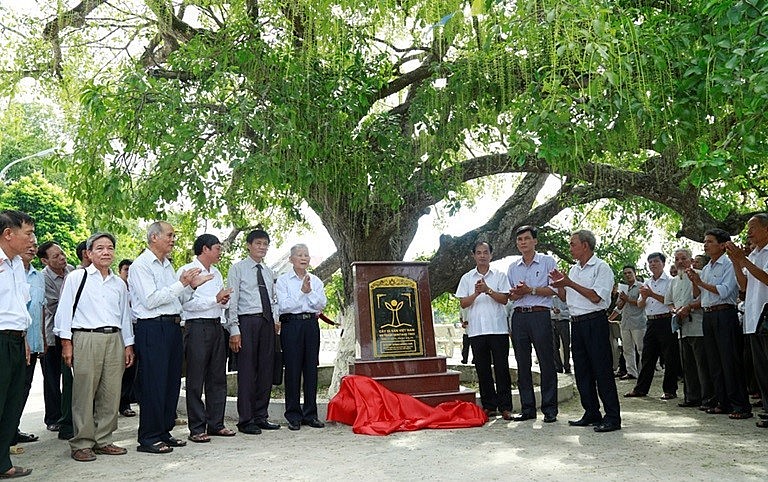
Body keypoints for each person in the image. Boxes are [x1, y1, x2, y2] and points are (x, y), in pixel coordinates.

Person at [130, 221, 212, 454]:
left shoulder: (167, 265)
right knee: (154, 383)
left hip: (173, 327)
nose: (173, 239)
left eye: (174, 235)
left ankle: (164, 431)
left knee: (170, 382)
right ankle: (148, 437)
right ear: (154, 237)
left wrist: (191, 287)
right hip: (152, 328)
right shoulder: (141, 265)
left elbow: (177, 301)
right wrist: (182, 284)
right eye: (169, 235)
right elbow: (151, 300)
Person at [54, 233, 135, 462]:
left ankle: (104, 440)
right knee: (84, 392)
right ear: (88, 253)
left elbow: (125, 315)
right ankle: (81, 443)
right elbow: (64, 311)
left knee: (111, 392)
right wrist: (66, 343)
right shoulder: (77, 278)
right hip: (85, 338)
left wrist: (128, 344)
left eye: (110, 248)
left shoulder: (119, 283)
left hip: (114, 339)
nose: (106, 252)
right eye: (99, 248)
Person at [550, 230, 621, 433]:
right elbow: (565, 298)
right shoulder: (574, 270)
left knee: (602, 370)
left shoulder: (601, 268)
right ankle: (591, 411)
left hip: (595, 321)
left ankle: (612, 417)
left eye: (573, 244)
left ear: (585, 245)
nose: (570, 248)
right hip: (577, 323)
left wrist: (569, 283)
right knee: (582, 370)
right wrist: (559, 283)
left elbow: (596, 297)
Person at [686, 228, 752, 419]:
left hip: (724, 314)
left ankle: (740, 405)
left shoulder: (729, 264)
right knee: (714, 361)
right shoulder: (706, 268)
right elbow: (700, 295)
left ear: (722, 245)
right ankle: (722, 402)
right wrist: (694, 281)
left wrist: (701, 282)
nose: (705, 245)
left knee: (730, 360)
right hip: (708, 315)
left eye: (710, 241)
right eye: (704, 241)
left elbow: (724, 291)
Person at [178, 234, 235, 442]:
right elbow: (186, 304)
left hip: (216, 326)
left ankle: (216, 424)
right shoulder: (187, 272)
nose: (220, 252)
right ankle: (196, 428)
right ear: (205, 249)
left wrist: (223, 300)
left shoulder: (217, 272)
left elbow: (220, 302)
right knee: (196, 378)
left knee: (218, 377)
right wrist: (215, 299)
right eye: (217, 248)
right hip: (196, 327)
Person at [226, 229, 281, 434]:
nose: (262, 247)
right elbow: (233, 300)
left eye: (265, 244)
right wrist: (234, 328)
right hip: (246, 322)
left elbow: (273, 298)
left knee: (266, 370)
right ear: (248, 245)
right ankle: (246, 420)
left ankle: (261, 416)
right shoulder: (237, 269)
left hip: (266, 323)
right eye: (258, 243)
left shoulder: (268, 271)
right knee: (248, 372)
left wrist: (275, 320)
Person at [506, 226, 558, 423]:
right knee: (522, 363)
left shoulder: (547, 262)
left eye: (527, 238)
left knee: (546, 362)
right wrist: (517, 293)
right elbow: (511, 295)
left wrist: (531, 290)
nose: (523, 242)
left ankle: (550, 409)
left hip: (540, 315)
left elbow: (554, 289)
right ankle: (528, 408)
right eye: (519, 239)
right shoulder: (512, 267)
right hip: (519, 316)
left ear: (535, 241)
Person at [455, 240, 512, 419]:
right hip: (477, 330)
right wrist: (476, 293)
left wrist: (488, 290)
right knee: (482, 369)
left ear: (491, 255)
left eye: (485, 252)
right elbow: (463, 302)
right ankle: (489, 405)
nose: (482, 256)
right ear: (473, 256)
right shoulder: (467, 278)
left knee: (502, 368)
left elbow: (504, 299)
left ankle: (505, 406)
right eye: (478, 252)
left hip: (498, 329)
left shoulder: (500, 276)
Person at [0, 209, 36, 478]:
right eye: (28, 233)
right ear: (8, 234)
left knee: (12, 404)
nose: (32, 240)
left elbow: (19, 307)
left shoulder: (16, 265)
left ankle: (3, 463)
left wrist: (23, 337)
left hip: (15, 340)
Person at [276, 244, 328, 431]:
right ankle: (293, 415)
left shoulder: (315, 280)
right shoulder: (283, 281)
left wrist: (309, 291)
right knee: (292, 369)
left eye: (306, 255)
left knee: (311, 369)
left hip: (310, 326)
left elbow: (321, 303)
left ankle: (310, 414)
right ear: (291, 259)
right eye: (299, 255)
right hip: (292, 325)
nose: (304, 258)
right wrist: (302, 293)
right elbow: (284, 306)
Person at [726, 214, 768, 427]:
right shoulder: (756, 254)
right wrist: (736, 262)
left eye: (753, 227)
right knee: (761, 368)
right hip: (753, 318)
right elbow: (743, 285)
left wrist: (743, 260)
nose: (748, 232)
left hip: (766, 316)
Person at [625, 253, 680, 400]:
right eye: (650, 262)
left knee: (670, 357)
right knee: (647, 356)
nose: (653, 264)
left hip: (666, 320)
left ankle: (670, 390)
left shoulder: (670, 281)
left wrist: (651, 294)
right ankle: (641, 388)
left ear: (663, 263)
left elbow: (671, 302)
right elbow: (640, 304)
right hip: (651, 321)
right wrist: (644, 296)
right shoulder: (647, 282)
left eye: (656, 261)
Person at [665, 248, 713, 409]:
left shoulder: (700, 273)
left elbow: (706, 298)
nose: (680, 262)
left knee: (702, 365)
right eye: (677, 259)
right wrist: (676, 311)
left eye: (683, 258)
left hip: (698, 324)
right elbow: (669, 302)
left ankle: (707, 398)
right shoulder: (673, 280)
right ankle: (691, 397)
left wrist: (688, 308)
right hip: (681, 327)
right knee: (688, 365)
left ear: (690, 260)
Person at [38, 241, 75, 434]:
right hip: (51, 335)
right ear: (45, 261)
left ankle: (68, 415)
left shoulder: (71, 270)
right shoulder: (42, 278)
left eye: (62, 254)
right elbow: (56, 305)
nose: (62, 258)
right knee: (52, 379)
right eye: (56, 256)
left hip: (70, 334)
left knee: (70, 378)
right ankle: (52, 417)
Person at [11, 239, 45, 449]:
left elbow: (39, 310)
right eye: (28, 241)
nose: (32, 247)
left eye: (35, 244)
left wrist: (41, 339)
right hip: (14, 341)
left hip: (33, 342)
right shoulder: (10, 271)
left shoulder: (38, 276)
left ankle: (12, 429)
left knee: (23, 387)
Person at [610, 266, 645, 380]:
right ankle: (631, 372)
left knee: (641, 348)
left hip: (638, 322)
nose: (627, 275)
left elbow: (642, 303)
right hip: (625, 322)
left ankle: (644, 372)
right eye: (625, 273)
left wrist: (627, 299)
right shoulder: (623, 288)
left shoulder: (641, 287)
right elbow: (619, 306)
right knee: (627, 349)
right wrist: (610, 318)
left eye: (629, 273)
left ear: (634, 273)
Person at [117, 259, 137, 418]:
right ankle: (120, 403)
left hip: (136, 328)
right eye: (126, 269)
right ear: (119, 271)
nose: (128, 272)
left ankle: (127, 401)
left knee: (132, 368)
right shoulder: (116, 286)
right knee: (122, 369)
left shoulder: (136, 286)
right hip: (120, 330)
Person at [551, 294, 571, 374]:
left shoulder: (566, 298)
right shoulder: (550, 299)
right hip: (553, 321)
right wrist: (553, 312)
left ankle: (567, 365)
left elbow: (570, 311)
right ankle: (558, 366)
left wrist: (561, 312)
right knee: (554, 346)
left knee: (566, 344)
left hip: (564, 321)